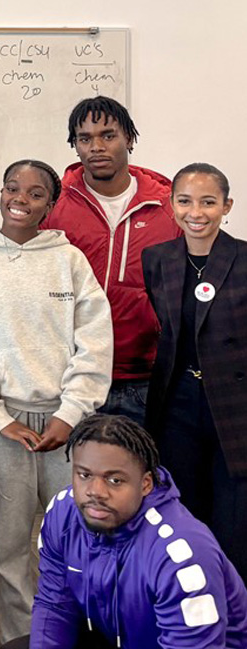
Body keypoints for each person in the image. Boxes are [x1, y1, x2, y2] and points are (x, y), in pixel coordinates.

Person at [0, 159, 113, 641]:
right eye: (12, 188)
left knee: (81, 538)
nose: (21, 198)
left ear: (51, 204)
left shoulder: (70, 260)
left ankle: (82, 640)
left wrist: (71, 412)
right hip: (2, 424)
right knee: (12, 545)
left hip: (68, 423)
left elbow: (95, 343)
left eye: (36, 193)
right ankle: (24, 644)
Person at [0, 415, 247, 649]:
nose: (96, 492)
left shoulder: (181, 553)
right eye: (84, 475)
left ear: (146, 484)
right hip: (118, 639)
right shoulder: (63, 512)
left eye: (115, 480)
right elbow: (56, 605)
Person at [44, 96, 179, 425]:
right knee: (80, 476)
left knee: (143, 472)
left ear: (129, 139)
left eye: (108, 135)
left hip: (146, 375)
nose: (96, 147)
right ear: (74, 145)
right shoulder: (56, 204)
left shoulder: (169, 205)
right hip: (74, 375)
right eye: (85, 138)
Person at [143, 163, 247, 576]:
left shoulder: (243, 259)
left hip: (234, 407)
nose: (196, 212)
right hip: (177, 403)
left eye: (208, 202)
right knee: (182, 513)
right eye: (185, 201)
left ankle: (234, 620)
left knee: (233, 520)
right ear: (171, 205)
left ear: (227, 206)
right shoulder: (157, 259)